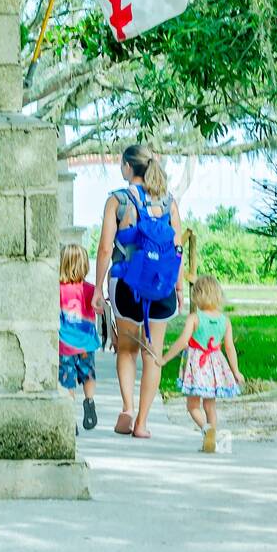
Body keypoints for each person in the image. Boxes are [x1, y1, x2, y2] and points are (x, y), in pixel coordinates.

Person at [92, 144, 183, 438]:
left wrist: (97, 288)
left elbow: (106, 248)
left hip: (127, 285)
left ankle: (128, 409)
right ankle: (143, 423)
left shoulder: (117, 200)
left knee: (128, 350)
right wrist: (178, 287)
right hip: (161, 288)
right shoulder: (169, 202)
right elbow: (178, 248)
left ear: (129, 168)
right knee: (153, 354)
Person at [160, 274, 243, 452]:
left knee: (192, 406)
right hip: (215, 367)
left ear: (197, 295)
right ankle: (211, 439)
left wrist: (165, 358)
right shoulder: (224, 321)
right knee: (210, 406)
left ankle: (206, 431)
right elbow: (229, 348)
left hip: (197, 367)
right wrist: (236, 371)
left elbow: (183, 341)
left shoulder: (194, 318)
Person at [58, 243, 99, 430]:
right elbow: (100, 309)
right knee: (88, 375)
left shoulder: (57, 290)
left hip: (65, 345)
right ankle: (89, 401)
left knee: (67, 381)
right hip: (86, 345)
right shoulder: (90, 289)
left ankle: (69, 416)